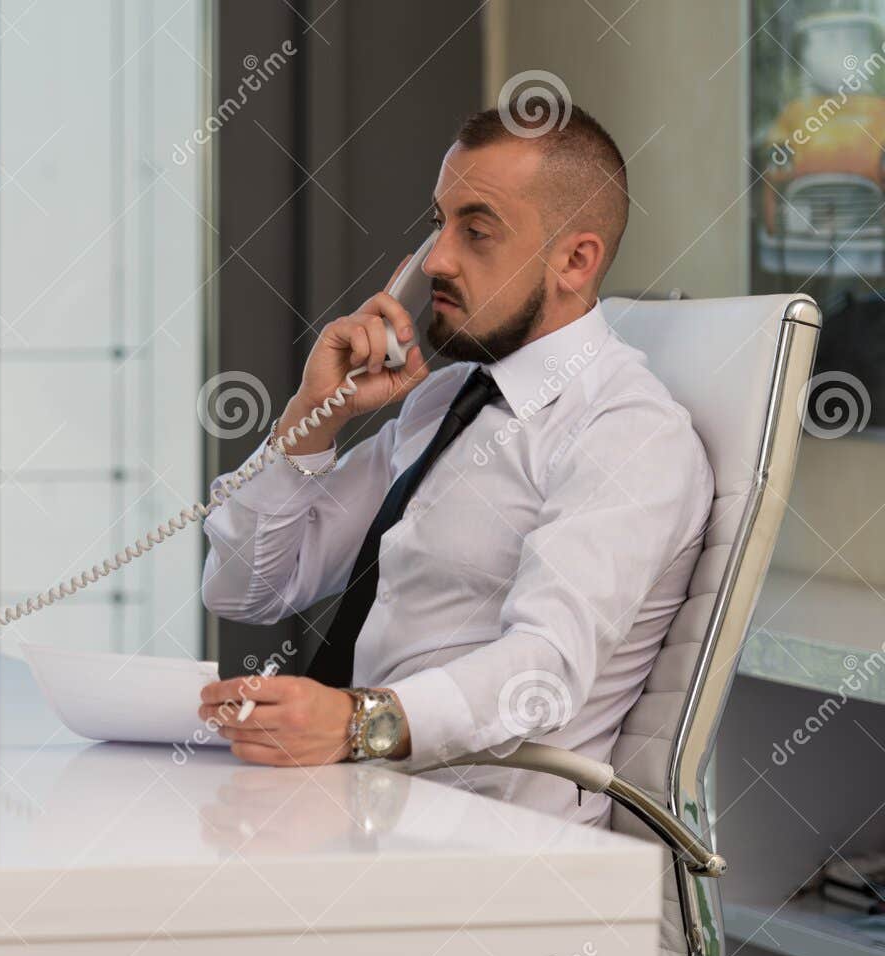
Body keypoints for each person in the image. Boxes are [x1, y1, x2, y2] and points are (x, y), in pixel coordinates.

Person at [198, 103, 712, 825]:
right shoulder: (444, 401)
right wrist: (310, 422)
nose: (436, 259)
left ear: (575, 260)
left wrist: (353, 723)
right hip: (357, 815)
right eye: (438, 224)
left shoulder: (628, 432)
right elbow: (245, 590)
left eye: (476, 232)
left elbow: (545, 669)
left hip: (484, 853)